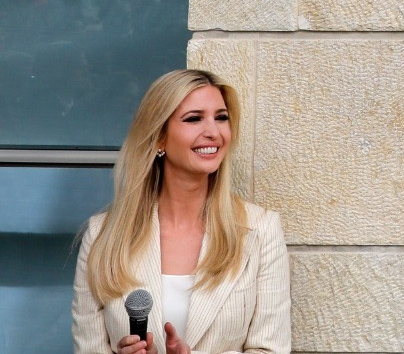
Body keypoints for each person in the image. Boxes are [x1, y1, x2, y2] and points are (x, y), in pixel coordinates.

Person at [72, 70, 291, 353]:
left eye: (221, 117)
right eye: (194, 119)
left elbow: (271, 349)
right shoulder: (102, 236)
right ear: (159, 138)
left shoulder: (260, 230)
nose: (213, 132)